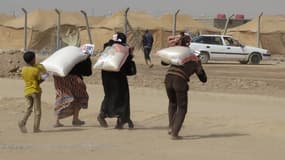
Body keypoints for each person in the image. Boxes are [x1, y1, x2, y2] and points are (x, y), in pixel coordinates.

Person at [163, 34, 207, 140]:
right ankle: (175, 133)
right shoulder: (194, 58)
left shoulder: (175, 53)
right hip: (180, 81)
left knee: (172, 103)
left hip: (168, 79)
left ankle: (170, 127)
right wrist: (198, 65)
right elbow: (203, 78)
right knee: (182, 107)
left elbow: (163, 62)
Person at [97, 32, 134, 129]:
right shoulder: (123, 49)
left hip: (106, 77)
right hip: (119, 77)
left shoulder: (107, 48)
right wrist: (130, 55)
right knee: (123, 97)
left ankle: (103, 114)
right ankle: (121, 120)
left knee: (109, 95)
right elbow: (127, 67)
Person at [53, 56, 92, 127]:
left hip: (62, 80)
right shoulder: (81, 56)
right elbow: (88, 72)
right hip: (75, 80)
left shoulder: (63, 55)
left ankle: (57, 121)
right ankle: (75, 119)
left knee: (62, 98)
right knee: (79, 97)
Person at [18, 51, 47, 133]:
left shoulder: (23, 69)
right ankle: (36, 128)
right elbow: (38, 82)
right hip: (35, 91)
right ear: (32, 60)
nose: (35, 59)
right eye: (34, 58)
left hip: (27, 91)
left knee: (29, 109)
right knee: (37, 111)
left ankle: (22, 122)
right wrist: (44, 77)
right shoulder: (36, 70)